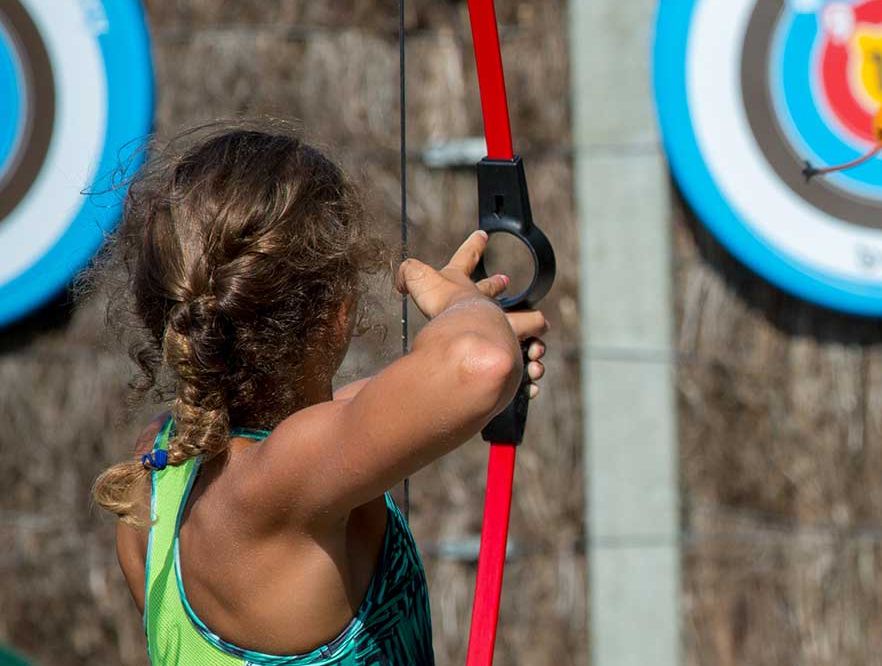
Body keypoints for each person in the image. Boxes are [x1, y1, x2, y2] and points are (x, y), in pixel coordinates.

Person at [90, 127, 548, 665]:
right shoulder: (280, 483)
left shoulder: (157, 471)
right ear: (338, 312)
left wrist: (481, 328)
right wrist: (460, 307)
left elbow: (351, 419)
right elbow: (480, 365)